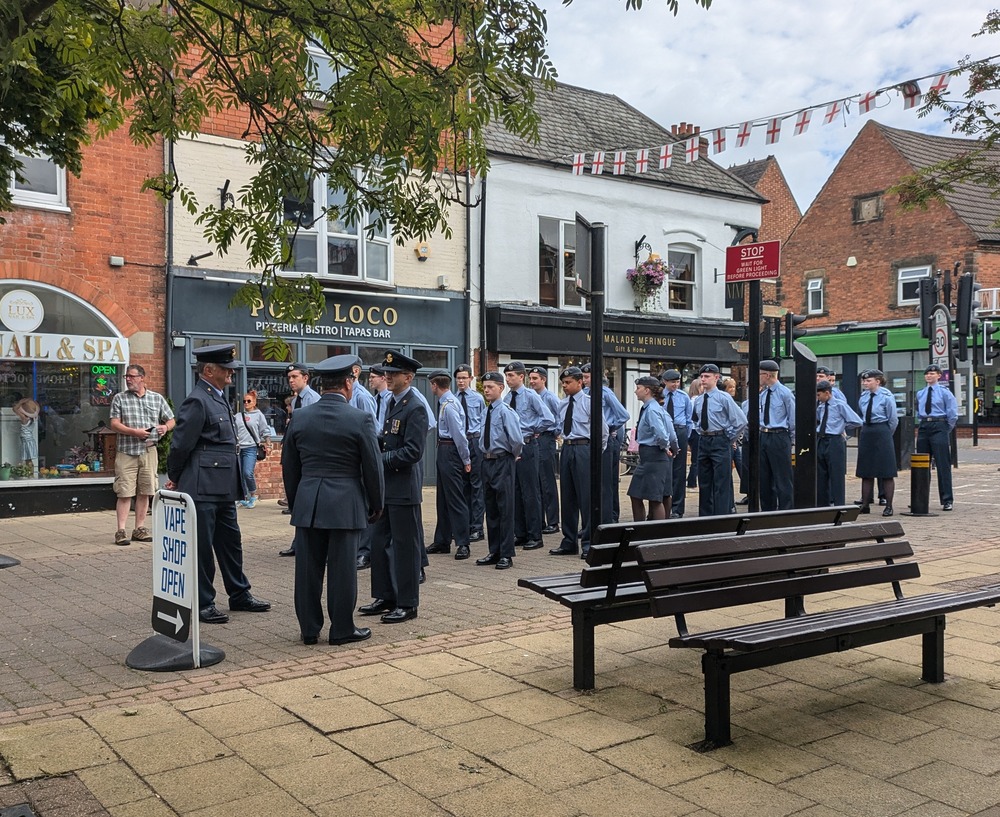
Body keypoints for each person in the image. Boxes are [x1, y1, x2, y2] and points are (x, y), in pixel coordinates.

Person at [281, 354, 384, 646]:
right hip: (345, 502)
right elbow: (372, 467)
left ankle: (309, 630)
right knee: (342, 570)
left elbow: (289, 466)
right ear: (349, 384)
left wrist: (297, 499)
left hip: (309, 501)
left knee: (307, 571)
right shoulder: (360, 418)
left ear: (320, 384)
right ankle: (342, 628)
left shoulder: (300, 417)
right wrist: (376, 504)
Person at [165, 344, 270, 624]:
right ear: (209, 370)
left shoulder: (218, 396)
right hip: (201, 485)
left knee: (230, 542)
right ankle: (202, 602)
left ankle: (239, 593)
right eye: (226, 369)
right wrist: (174, 475)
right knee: (202, 548)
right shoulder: (198, 400)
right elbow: (180, 445)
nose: (231, 374)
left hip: (222, 484)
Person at [359, 350, 428, 624]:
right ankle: (385, 596)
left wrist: (379, 459)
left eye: (393, 373)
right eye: (386, 373)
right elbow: (387, 440)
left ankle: (408, 603)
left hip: (403, 488)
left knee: (404, 547)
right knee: (379, 542)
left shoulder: (416, 407)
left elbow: (412, 452)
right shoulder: (392, 402)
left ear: (408, 377)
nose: (386, 377)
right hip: (387, 487)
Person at [108, 365, 175, 546]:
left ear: (142, 378)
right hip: (127, 451)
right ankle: (121, 531)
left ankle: (139, 528)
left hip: (149, 450)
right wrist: (133, 432)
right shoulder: (119, 399)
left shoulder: (156, 398)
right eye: (126, 376)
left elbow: (172, 419)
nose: (128, 379)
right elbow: (114, 424)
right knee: (124, 492)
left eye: (131, 376)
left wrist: (165, 427)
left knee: (145, 491)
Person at [550, 366, 608, 559]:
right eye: (563, 383)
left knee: (586, 496)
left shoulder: (590, 402)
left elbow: (603, 431)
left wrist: (594, 454)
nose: (565, 386)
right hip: (567, 447)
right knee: (567, 496)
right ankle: (569, 541)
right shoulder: (563, 404)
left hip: (584, 448)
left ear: (579, 382)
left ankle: (589, 542)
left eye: (568, 383)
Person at [503, 361, 554, 551]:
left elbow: (548, 418)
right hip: (511, 448)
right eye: (506, 376)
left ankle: (535, 535)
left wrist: (533, 429)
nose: (508, 379)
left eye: (511, 376)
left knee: (530, 491)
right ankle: (521, 533)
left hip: (528, 445)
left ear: (521, 377)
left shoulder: (530, 395)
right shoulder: (507, 398)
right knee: (515, 491)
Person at [475, 371, 523, 570]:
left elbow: (516, 440)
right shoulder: (487, 411)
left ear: (501, 388)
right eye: (485, 387)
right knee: (491, 508)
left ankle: (506, 553)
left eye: (491, 387)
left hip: (502, 461)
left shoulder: (505, 411)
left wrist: (512, 456)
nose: (486, 390)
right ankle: (494, 551)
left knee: (505, 508)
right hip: (487, 462)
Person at [426, 370, 473, 559]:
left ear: (435, 385)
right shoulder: (444, 403)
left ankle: (463, 542)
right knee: (443, 498)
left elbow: (459, 435)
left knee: (455, 498)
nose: (431, 388)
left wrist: (466, 459)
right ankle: (442, 540)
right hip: (444, 450)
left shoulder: (450, 405)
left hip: (451, 450)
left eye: (431, 384)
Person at [691, 364, 747, 517]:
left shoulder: (724, 398)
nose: (703, 379)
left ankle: (721, 516)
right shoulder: (698, 400)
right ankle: (705, 517)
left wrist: (728, 437)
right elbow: (695, 420)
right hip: (704, 440)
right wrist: (700, 431)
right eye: (702, 376)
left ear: (716, 378)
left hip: (720, 440)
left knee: (721, 482)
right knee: (704, 481)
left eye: (707, 376)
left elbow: (740, 421)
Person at [278, 363, 321, 556]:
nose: (291, 380)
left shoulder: (313, 399)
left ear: (306, 378)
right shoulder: (296, 401)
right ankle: (299, 541)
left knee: (306, 500)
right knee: (296, 499)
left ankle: (305, 542)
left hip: (308, 457)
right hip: (296, 455)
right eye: (289, 378)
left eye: (295, 376)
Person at [581, 363, 629, 523]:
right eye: (583, 377)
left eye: (587, 377)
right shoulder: (585, 394)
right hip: (590, 441)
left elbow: (623, 415)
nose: (584, 380)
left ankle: (610, 518)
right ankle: (595, 519)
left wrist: (609, 427)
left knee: (607, 482)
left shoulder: (606, 393)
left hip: (607, 441)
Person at [628, 376, 676, 521]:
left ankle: (654, 532)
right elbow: (671, 432)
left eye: (638, 388)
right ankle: (644, 530)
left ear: (647, 390)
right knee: (641, 494)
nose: (636, 392)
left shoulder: (652, 410)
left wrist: (665, 446)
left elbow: (661, 434)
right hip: (651, 456)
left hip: (653, 455)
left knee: (653, 498)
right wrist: (672, 447)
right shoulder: (654, 408)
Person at [915, 363, 958, 511]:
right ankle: (920, 499)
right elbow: (918, 411)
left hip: (939, 425)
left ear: (939, 375)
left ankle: (947, 499)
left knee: (942, 464)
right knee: (921, 464)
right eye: (927, 374)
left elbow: (952, 414)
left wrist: (946, 428)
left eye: (933, 374)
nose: (929, 376)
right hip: (924, 426)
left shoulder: (945, 393)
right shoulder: (920, 393)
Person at [856, 369, 898, 516]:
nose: (865, 383)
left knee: (886, 471)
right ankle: (865, 504)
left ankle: (889, 506)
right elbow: (861, 414)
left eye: (868, 381)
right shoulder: (863, 397)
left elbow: (893, 419)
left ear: (877, 381)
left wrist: (886, 434)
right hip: (867, 430)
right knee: (865, 471)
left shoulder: (887, 396)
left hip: (882, 430)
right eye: (864, 381)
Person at [816, 380, 863, 506]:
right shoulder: (820, 407)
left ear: (827, 393)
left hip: (834, 440)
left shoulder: (839, 405)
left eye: (819, 395)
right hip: (822, 439)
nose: (818, 398)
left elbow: (857, 421)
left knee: (836, 475)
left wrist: (842, 426)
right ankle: (822, 505)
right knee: (821, 474)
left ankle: (839, 505)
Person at [757, 360, 795, 511]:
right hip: (764, 435)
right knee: (764, 477)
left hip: (779, 435)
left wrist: (791, 440)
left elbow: (793, 418)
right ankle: (767, 510)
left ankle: (786, 510)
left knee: (782, 477)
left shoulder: (785, 393)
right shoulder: (763, 393)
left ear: (767, 375)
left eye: (759, 374)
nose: (758, 377)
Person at [454, 364, 486, 542]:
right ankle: (464, 524)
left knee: (476, 484)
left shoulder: (478, 398)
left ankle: (477, 527)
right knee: (462, 485)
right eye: (458, 378)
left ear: (471, 379)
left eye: (464, 378)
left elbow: (482, 420)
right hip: (460, 442)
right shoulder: (452, 399)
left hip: (474, 440)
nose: (461, 381)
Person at [528, 365, 561, 535]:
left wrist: (555, 433)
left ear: (543, 379)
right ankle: (539, 520)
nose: (532, 381)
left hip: (545, 439)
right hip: (534, 440)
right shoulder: (530, 396)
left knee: (547, 481)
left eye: (535, 378)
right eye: (530, 378)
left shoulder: (550, 398)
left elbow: (560, 417)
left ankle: (553, 522)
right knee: (536, 481)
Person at [660, 370, 692, 518]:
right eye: (672, 382)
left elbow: (689, 418)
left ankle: (677, 509)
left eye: (677, 381)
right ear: (665, 382)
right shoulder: (660, 396)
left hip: (680, 431)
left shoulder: (684, 397)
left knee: (679, 472)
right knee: (664, 470)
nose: (675, 385)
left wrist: (686, 435)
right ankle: (661, 507)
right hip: (665, 431)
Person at [235, 390, 270, 509]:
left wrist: (268, 443)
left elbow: (265, 430)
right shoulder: (238, 416)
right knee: (239, 474)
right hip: (239, 448)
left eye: (248, 401)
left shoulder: (259, 415)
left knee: (247, 472)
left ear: (254, 402)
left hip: (251, 447)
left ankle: (253, 495)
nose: (246, 403)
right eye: (244, 401)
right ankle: (242, 497)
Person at [12, 396, 40, 476]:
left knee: (27, 459)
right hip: (30, 440)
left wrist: (20, 402)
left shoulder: (24, 418)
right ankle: (30, 474)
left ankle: (30, 474)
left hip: (26, 441)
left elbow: (14, 409)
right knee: (29, 459)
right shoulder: (33, 418)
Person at [685, 378, 704, 489]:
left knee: (694, 457)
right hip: (695, 431)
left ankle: (691, 479)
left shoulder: (691, 400)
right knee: (696, 458)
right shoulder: (696, 401)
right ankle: (692, 481)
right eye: (701, 386)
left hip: (691, 431)